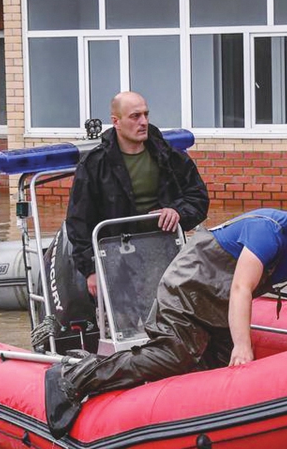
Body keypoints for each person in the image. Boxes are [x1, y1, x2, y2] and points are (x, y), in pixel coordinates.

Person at [43, 186, 287, 438]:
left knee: (218, 379)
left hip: (219, 308)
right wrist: (243, 347)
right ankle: (74, 376)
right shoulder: (268, 231)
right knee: (174, 354)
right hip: (189, 289)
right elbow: (241, 289)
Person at [65, 91, 209, 298]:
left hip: (163, 253)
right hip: (116, 258)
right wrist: (90, 270)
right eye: (135, 116)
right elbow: (79, 221)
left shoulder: (168, 155)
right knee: (123, 325)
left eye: (146, 115)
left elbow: (198, 198)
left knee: (169, 320)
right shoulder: (94, 165)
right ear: (116, 121)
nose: (143, 122)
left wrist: (177, 212)